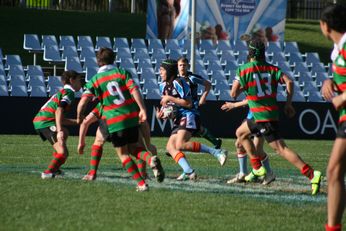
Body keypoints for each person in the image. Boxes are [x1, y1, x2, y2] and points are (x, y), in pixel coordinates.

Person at [231, 38, 322, 195]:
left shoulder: (243, 70)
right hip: (265, 114)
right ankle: (257, 168)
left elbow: (233, 93)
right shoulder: (272, 69)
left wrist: (244, 88)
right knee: (240, 133)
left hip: (262, 116)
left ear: (250, 52)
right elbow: (290, 82)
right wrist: (288, 104)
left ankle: (312, 174)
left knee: (281, 149)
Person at [77, 47, 164, 192]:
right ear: (113, 59)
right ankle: (150, 160)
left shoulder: (95, 79)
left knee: (123, 154)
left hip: (113, 119)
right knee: (134, 148)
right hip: (131, 116)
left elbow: (82, 102)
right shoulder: (122, 72)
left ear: (98, 62)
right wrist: (142, 109)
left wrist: (79, 115)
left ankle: (141, 184)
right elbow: (134, 90)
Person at [157, 59, 228, 181]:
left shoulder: (180, 82)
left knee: (180, 144)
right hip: (178, 117)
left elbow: (188, 103)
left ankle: (217, 152)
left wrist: (169, 98)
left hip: (189, 114)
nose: (160, 73)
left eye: (162, 70)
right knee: (170, 147)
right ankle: (188, 171)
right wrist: (162, 113)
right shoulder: (162, 85)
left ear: (168, 71)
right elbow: (168, 104)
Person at [78, 101, 156, 181]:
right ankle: (147, 166)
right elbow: (143, 123)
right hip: (128, 122)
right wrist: (148, 143)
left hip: (111, 122)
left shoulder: (104, 103)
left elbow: (85, 122)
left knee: (100, 142)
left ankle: (92, 173)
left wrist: (81, 142)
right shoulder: (132, 102)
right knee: (138, 147)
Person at [320, 4, 346, 231]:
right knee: (334, 171)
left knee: (334, 170)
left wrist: (342, 97)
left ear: (325, 26)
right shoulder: (339, 49)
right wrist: (330, 82)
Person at [33, 70, 83, 179]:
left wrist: (77, 122)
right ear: (72, 80)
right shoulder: (69, 93)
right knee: (63, 153)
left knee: (65, 132)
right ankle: (48, 172)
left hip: (42, 121)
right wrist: (59, 131)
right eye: (79, 80)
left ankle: (56, 168)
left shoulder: (64, 92)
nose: (81, 83)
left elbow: (58, 117)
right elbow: (59, 111)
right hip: (45, 122)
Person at [221, 99, 275, 185]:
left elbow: (246, 96)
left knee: (257, 149)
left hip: (258, 116)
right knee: (240, 145)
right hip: (252, 115)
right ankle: (244, 173)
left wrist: (235, 105)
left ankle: (264, 171)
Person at [177, 56, 222, 149]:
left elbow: (208, 84)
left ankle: (176, 145)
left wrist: (203, 97)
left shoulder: (192, 77)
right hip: (181, 106)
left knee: (188, 126)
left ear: (188, 66)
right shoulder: (175, 79)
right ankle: (215, 141)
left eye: (184, 65)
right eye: (180, 65)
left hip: (192, 107)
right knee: (197, 128)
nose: (182, 67)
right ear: (177, 67)